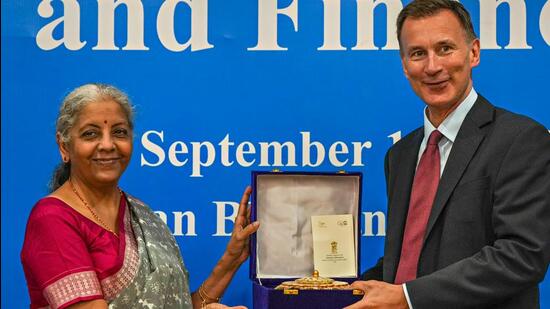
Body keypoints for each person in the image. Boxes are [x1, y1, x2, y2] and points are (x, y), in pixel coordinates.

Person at [345, 0, 550, 308]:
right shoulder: (400, 155)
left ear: (474, 52)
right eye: (417, 53)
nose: (432, 67)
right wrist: (331, 291)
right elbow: (407, 259)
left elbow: (522, 254)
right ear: (404, 64)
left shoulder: (521, 139)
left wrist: (407, 297)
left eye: (445, 48)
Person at [20, 83, 260, 309]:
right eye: (91, 134)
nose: (107, 144)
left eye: (119, 132)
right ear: (64, 146)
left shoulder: (140, 213)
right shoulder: (53, 219)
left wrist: (231, 259)